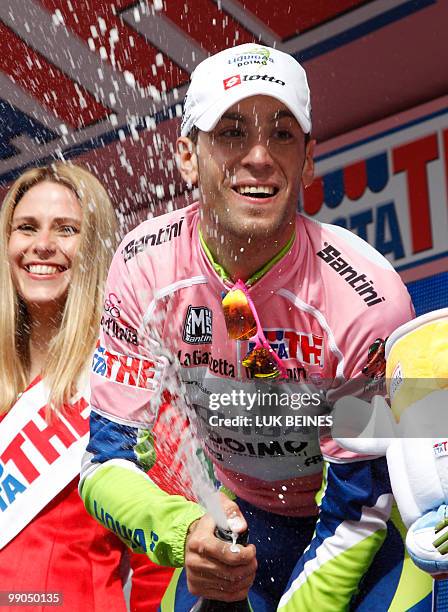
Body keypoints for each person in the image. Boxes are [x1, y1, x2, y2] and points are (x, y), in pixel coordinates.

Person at [80, 44, 433, 610]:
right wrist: (184, 532)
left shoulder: (367, 299)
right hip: (241, 525)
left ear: (309, 159)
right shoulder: (142, 266)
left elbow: (362, 507)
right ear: (187, 157)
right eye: (231, 132)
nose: (259, 157)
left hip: (369, 536)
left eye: (283, 134)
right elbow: (105, 466)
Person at [0, 163, 173, 611]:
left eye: (66, 229)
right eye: (26, 228)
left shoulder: (125, 384)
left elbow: (160, 568)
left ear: (94, 249)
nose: (42, 245)